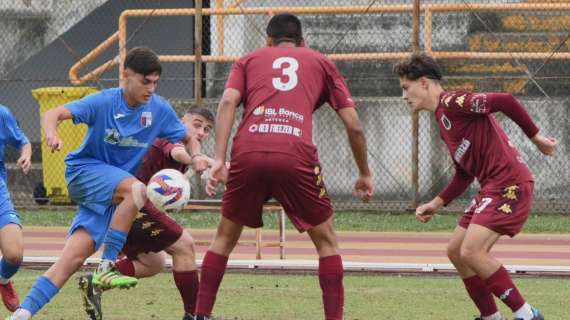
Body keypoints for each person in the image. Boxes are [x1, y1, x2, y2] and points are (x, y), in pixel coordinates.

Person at [195, 13, 374, 320]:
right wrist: (364, 173)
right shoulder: (320, 62)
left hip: (248, 149)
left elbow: (226, 103)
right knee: (327, 242)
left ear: (268, 40)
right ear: (302, 42)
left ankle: (200, 315)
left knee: (223, 238)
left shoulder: (249, 60)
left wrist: (220, 159)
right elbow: (354, 126)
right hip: (295, 153)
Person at [8, 47, 207, 320]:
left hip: (113, 194)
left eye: (155, 83)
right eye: (144, 81)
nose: (150, 88)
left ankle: (21, 314)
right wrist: (52, 134)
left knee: (71, 261)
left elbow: (187, 137)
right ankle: (107, 266)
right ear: (125, 76)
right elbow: (52, 113)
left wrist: (196, 157)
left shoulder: (158, 109)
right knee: (137, 188)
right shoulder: (103, 102)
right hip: (84, 173)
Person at [393, 53, 557, 320]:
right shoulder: (442, 119)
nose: (403, 96)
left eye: (405, 88)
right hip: (491, 187)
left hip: (509, 183)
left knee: (472, 251)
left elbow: (505, 100)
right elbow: (463, 174)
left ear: (423, 82)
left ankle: (527, 315)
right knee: (456, 251)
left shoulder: (453, 102)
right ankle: (491, 317)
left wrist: (537, 138)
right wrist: (436, 203)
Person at [79, 107, 215, 320]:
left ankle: (95, 281)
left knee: (154, 263)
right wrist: (195, 159)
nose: (201, 132)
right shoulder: (170, 135)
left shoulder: (182, 145)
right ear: (181, 121)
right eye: (197, 124)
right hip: (128, 205)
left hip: (121, 207)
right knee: (185, 245)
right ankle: (197, 316)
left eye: (207, 129)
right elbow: (176, 151)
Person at [0, 105, 31, 312]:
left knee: (14, 254)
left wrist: (26, 155)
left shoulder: (2, 114)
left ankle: (2, 280)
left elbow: (24, 141)